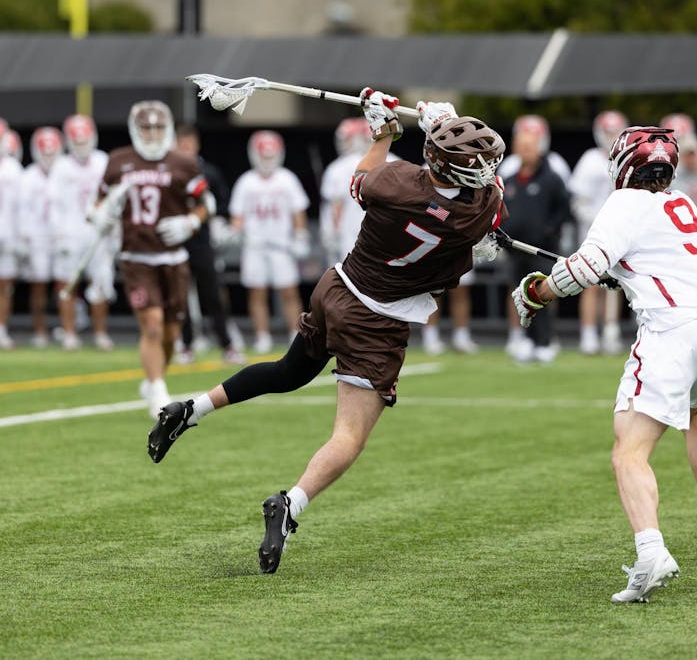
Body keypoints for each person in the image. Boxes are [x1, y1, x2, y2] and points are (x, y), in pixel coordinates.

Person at [145, 90, 507, 574]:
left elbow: (361, 180)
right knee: (349, 436)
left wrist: (383, 134)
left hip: (337, 287)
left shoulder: (394, 179)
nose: (485, 171)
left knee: (288, 370)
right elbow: (492, 202)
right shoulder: (473, 214)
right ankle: (290, 505)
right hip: (378, 321)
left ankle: (191, 409)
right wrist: (442, 123)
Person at [512, 126, 697, 603]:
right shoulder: (682, 203)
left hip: (675, 332)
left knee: (628, 450)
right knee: (695, 417)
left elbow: (584, 269)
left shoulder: (623, 203)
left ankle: (651, 552)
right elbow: (650, 262)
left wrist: (537, 292)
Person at [91, 100, 210, 417]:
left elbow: (204, 203)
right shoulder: (119, 161)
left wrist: (191, 222)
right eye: (146, 127)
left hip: (173, 257)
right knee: (153, 325)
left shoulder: (183, 163)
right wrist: (100, 216)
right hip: (136, 256)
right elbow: (97, 204)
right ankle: (157, 389)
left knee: (171, 332)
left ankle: (154, 378)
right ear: (135, 128)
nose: (153, 134)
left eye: (158, 127)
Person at [499, 114, 573, 363]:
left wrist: (550, 231)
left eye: (528, 147)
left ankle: (545, 340)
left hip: (542, 249)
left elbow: (564, 208)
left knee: (541, 292)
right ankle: (524, 338)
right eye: (520, 146)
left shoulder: (552, 178)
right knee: (518, 292)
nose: (524, 151)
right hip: (515, 249)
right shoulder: (508, 179)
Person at [229, 130, 310, 354]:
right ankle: (261, 336)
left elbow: (298, 211)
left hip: (281, 245)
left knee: (289, 291)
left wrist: (300, 234)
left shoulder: (287, 179)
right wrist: (233, 231)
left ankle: (296, 334)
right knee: (257, 293)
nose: (266, 161)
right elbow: (237, 216)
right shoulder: (246, 181)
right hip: (254, 246)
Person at [173, 124, 245, 365]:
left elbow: (221, 203)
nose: (185, 150)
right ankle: (186, 344)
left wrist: (218, 224)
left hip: (202, 240)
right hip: (177, 241)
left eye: (188, 145)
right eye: (181, 146)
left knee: (212, 294)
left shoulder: (208, 173)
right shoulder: (169, 171)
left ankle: (227, 344)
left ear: (196, 145)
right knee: (180, 296)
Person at [49, 114, 115, 351]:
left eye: (84, 141)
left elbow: (114, 198)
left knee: (100, 282)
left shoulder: (103, 161)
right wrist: (57, 234)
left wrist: (111, 225)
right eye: (77, 142)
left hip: (97, 232)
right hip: (70, 232)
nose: (81, 146)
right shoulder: (61, 166)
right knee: (68, 284)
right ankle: (70, 333)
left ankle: (100, 333)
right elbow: (53, 203)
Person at [569, 110, 630, 355]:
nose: (611, 137)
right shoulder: (590, 159)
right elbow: (578, 201)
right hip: (592, 231)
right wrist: (598, 221)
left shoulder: (628, 159)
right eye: (608, 132)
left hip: (620, 233)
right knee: (590, 282)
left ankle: (611, 332)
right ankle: (588, 334)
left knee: (615, 283)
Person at [17, 127, 63, 348]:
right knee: (38, 285)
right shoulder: (27, 177)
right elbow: (21, 210)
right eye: (45, 153)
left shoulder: (66, 172)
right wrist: (23, 236)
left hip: (63, 234)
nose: (48, 158)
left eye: (52, 153)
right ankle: (40, 330)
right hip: (37, 236)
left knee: (66, 284)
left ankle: (68, 330)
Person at [0, 118, 23, 350]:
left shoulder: (13, 168)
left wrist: (21, 236)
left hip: (7, 235)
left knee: (5, 286)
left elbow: (22, 207)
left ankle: (1, 329)